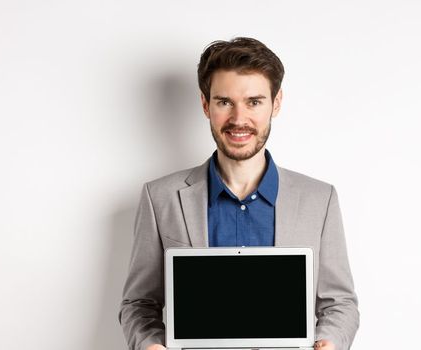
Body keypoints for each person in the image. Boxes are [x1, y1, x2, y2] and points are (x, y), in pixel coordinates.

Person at [119, 37, 359, 350]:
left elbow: (340, 303)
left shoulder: (319, 199)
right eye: (224, 102)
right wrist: (150, 345)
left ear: (276, 103)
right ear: (206, 105)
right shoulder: (160, 197)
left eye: (254, 102)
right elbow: (139, 304)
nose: (238, 119)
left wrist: (330, 342)